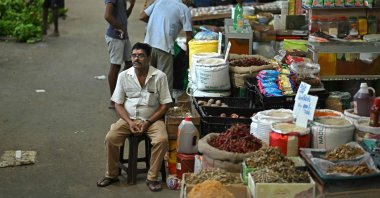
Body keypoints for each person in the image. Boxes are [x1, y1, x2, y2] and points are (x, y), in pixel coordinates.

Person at [96, 42, 172, 192]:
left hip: (152, 119)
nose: (136, 59)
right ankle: (111, 175)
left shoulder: (159, 76)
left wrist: (148, 122)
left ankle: (152, 177)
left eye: (141, 56)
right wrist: (129, 122)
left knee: (162, 140)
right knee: (111, 138)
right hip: (128, 118)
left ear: (149, 58)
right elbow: (118, 104)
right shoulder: (124, 76)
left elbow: (165, 104)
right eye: (134, 55)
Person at [139, 0, 193, 97]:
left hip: (148, 46)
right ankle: (164, 110)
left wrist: (156, 23)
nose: (190, 3)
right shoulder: (184, 9)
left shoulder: (160, 1)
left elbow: (142, 16)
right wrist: (189, 54)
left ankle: (149, 106)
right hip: (164, 47)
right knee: (164, 83)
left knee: (149, 79)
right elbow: (189, 36)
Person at [104, 0, 135, 109]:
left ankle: (119, 92)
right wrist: (121, 28)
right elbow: (107, 15)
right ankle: (113, 100)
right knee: (115, 66)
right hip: (115, 36)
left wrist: (132, 5)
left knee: (130, 64)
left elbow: (124, 16)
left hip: (123, 36)